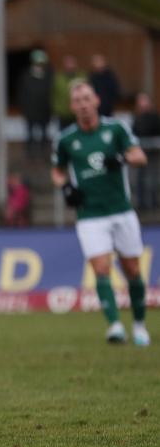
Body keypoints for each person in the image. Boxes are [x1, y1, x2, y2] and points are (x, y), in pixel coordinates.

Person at [51, 81, 149, 346]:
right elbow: (57, 170)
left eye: (86, 99)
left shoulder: (115, 129)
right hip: (90, 215)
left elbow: (140, 155)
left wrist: (122, 158)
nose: (83, 105)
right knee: (101, 269)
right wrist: (66, 187)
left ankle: (139, 325)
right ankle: (115, 326)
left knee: (132, 270)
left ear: (96, 101)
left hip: (121, 211)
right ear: (72, 107)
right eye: (77, 101)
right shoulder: (67, 139)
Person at [17, 49, 53, 151]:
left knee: (44, 134)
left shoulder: (49, 75)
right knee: (30, 134)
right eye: (37, 62)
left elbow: (51, 92)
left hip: (44, 110)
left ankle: (43, 154)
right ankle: (30, 156)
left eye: (41, 63)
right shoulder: (26, 75)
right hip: (30, 110)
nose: (39, 65)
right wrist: (24, 108)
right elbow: (21, 93)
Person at [131, 92, 160, 210]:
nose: (142, 104)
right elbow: (133, 134)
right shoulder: (136, 119)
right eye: (140, 101)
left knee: (153, 179)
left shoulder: (155, 118)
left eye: (144, 101)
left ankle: (155, 203)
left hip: (154, 155)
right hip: (140, 153)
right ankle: (142, 204)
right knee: (140, 180)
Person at [53, 55, 86, 130]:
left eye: (72, 63)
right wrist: (56, 109)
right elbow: (54, 95)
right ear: (64, 64)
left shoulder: (82, 76)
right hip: (63, 113)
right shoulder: (58, 78)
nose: (70, 65)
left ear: (75, 64)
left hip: (79, 112)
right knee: (64, 134)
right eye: (68, 63)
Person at [88, 54, 120, 118]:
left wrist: (110, 102)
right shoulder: (91, 77)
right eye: (96, 62)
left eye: (99, 61)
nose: (98, 64)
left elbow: (116, 90)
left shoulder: (110, 76)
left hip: (108, 108)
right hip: (95, 109)